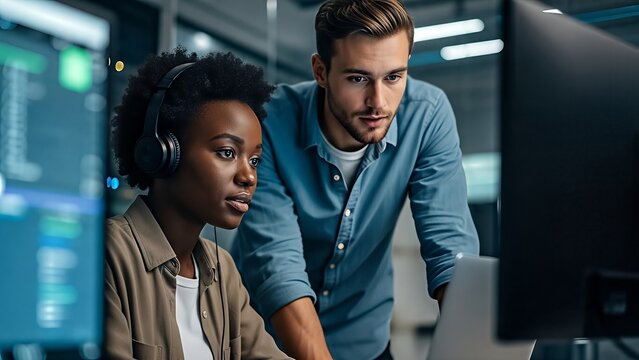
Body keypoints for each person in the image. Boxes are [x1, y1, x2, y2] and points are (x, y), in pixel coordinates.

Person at [232, 0, 480, 359]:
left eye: (394, 77)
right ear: (320, 71)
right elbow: (277, 268)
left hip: (367, 342)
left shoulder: (427, 115)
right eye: (358, 78)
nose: (378, 102)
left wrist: (468, 348)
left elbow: (449, 248)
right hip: (269, 344)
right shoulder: (266, 123)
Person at [105, 47, 291, 359]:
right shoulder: (109, 255)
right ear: (164, 152)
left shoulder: (222, 268)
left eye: (255, 160)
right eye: (227, 152)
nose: (249, 176)